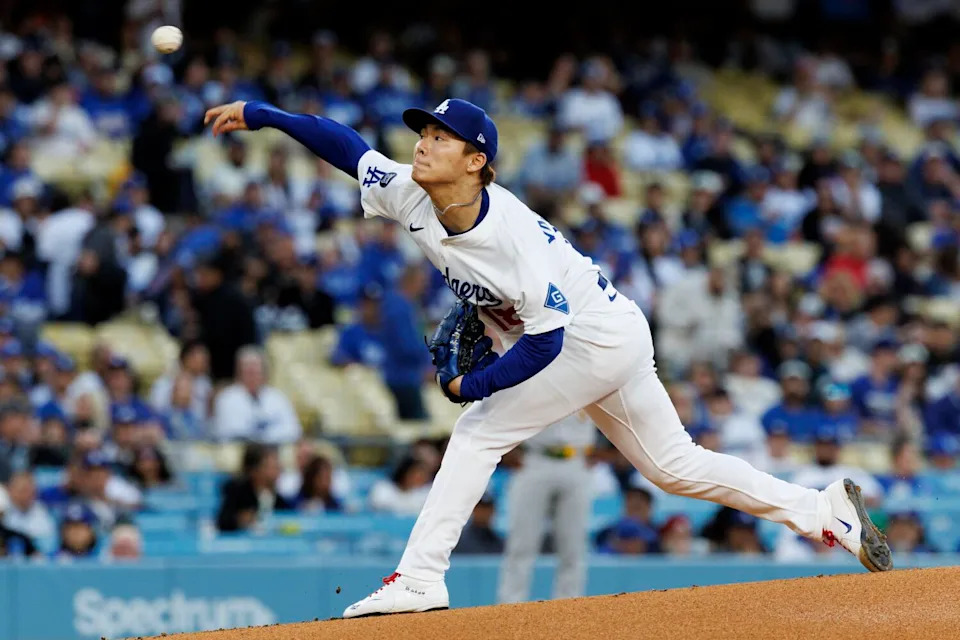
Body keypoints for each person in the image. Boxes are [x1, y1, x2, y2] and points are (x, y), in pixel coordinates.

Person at [204, 96, 893, 618]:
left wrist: (472, 385)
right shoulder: (412, 191)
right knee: (673, 468)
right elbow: (346, 145)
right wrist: (263, 114)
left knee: (478, 432)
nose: (423, 143)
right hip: (615, 329)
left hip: (589, 337)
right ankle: (822, 509)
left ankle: (420, 575)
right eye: (424, 132)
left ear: (476, 161)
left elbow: (546, 342)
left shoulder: (508, 242)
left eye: (441, 137)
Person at [497, 411, 595, 604]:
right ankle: (509, 606)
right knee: (521, 543)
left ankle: (569, 606)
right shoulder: (529, 379)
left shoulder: (594, 380)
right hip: (535, 458)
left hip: (576, 459)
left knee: (573, 545)